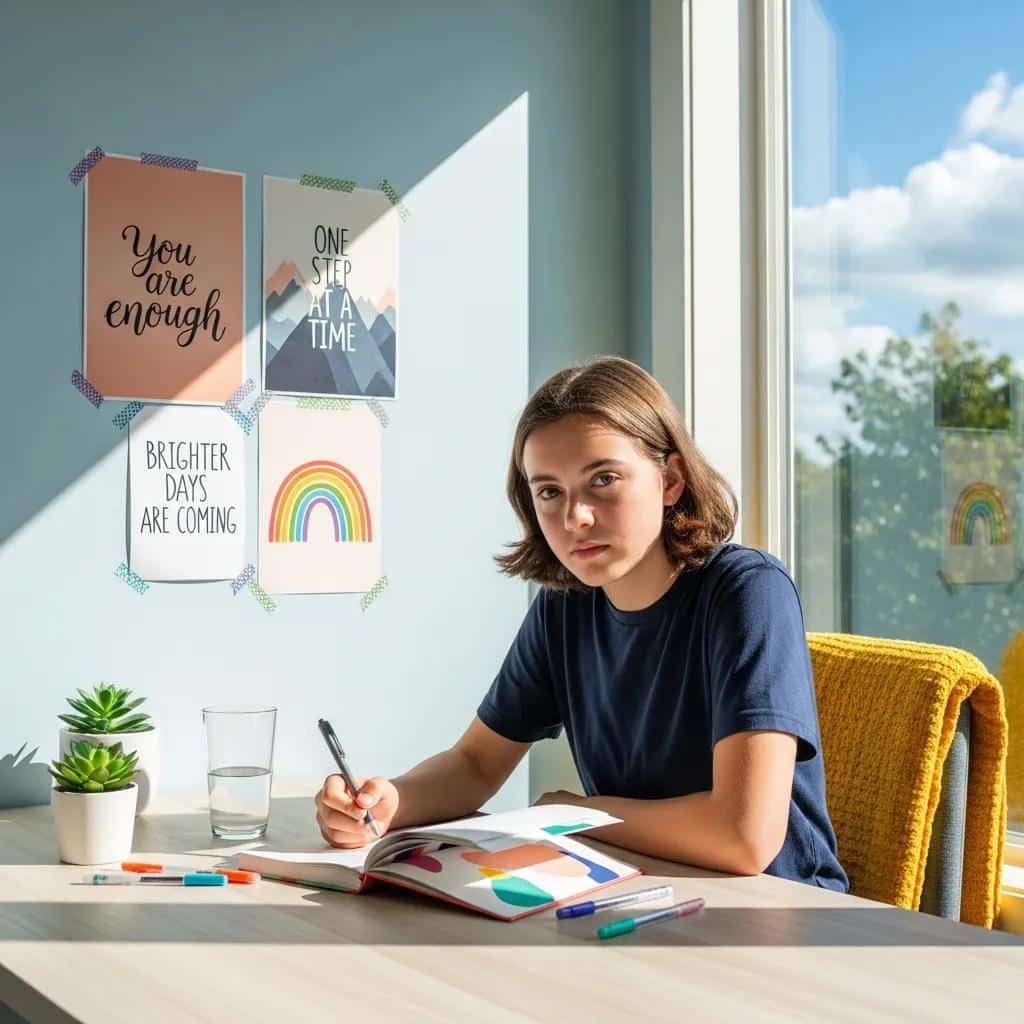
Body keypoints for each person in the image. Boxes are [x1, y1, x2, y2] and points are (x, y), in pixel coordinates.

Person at [315, 356, 848, 889]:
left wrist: (578, 814)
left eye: (604, 479)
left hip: (776, 913)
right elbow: (476, 762)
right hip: (640, 893)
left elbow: (744, 836)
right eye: (549, 491)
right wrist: (389, 803)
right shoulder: (565, 605)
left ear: (671, 480)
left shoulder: (747, 592)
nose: (575, 518)